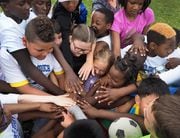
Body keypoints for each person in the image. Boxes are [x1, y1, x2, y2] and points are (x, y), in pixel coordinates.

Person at [0, 0, 64, 95]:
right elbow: (28, 68)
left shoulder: (26, 15)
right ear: (5, 6)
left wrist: (68, 70)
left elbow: (48, 42)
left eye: (29, 2)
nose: (27, 7)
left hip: (28, 82)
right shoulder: (7, 30)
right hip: (10, 82)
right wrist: (60, 94)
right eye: (22, 4)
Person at [78, 77, 170, 135]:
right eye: (148, 103)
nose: (152, 109)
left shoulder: (154, 122)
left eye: (156, 105)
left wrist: (97, 113)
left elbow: (136, 119)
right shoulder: (131, 101)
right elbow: (119, 111)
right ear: (138, 100)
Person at [52, 0, 92, 82]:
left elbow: (91, 36)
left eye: (74, 0)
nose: (71, 5)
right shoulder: (61, 17)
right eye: (67, 1)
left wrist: (89, 60)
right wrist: (69, 72)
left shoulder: (80, 8)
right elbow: (65, 44)